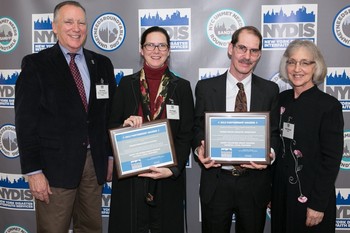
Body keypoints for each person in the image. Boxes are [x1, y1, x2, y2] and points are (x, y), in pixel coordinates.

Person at [15, 1, 116, 232]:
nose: (76, 28)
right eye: (68, 22)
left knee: (91, 227)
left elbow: (107, 116)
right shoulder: (36, 65)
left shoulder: (102, 64)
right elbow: (25, 123)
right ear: (54, 26)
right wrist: (34, 172)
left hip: (94, 165)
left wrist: (110, 156)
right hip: (54, 170)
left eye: (81, 22)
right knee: (53, 228)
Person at [192, 26, 280, 233]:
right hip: (217, 182)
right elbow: (197, 128)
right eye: (242, 48)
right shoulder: (205, 88)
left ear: (259, 55)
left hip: (254, 185)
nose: (247, 56)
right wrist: (199, 150)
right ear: (230, 48)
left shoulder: (269, 90)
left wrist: (269, 155)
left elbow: (274, 133)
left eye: (254, 51)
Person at [108, 26, 194, 233]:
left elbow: (186, 133)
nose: (156, 50)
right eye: (150, 45)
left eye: (161, 45)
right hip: (131, 178)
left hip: (166, 177)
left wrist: (172, 170)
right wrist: (124, 126)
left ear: (169, 50)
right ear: (141, 49)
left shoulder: (181, 87)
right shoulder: (126, 84)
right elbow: (111, 125)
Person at [271, 40, 344, 233]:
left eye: (305, 62)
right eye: (292, 62)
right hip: (281, 195)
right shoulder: (280, 99)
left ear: (316, 66)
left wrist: (318, 204)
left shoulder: (329, 106)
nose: (297, 69)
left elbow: (331, 160)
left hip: (311, 197)